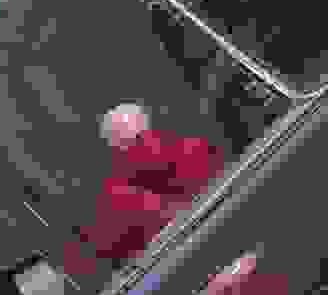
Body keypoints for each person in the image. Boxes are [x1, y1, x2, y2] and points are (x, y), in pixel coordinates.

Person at [87, 101, 227, 270]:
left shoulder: (194, 152)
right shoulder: (123, 199)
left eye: (144, 135)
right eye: (132, 144)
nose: (147, 144)